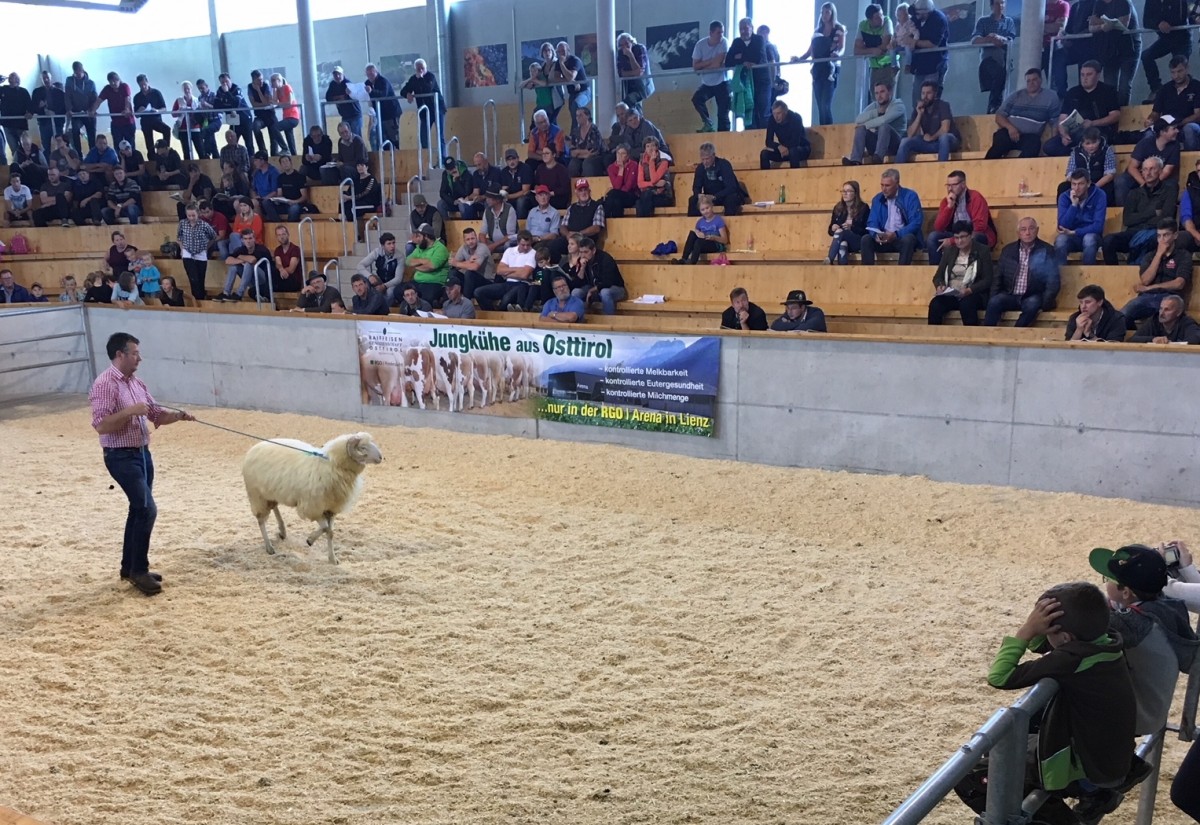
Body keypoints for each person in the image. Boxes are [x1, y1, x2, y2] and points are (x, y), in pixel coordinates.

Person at [979, 582, 1136, 819]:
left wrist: (1026, 631)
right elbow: (1046, 646)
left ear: (1065, 638)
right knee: (1006, 749)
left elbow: (999, 677)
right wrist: (1043, 630)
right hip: (1110, 760)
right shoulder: (1107, 641)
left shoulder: (1072, 659)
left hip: (1089, 769)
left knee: (979, 772)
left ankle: (1066, 816)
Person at [89, 332, 195, 596]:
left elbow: (155, 413)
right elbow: (101, 425)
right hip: (120, 456)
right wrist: (129, 411)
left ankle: (129, 568)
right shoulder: (104, 384)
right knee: (147, 509)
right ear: (120, 354)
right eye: (135, 353)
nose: (140, 358)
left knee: (138, 509)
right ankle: (139, 570)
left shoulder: (137, 384)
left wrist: (178, 416)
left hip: (142, 453)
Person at [985, 217, 1060, 326]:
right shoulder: (1008, 250)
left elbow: (1053, 281)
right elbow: (998, 277)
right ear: (1018, 233)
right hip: (1010, 294)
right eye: (1023, 229)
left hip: (1032, 295)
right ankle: (987, 334)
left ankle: (1016, 333)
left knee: (1032, 304)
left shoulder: (1047, 250)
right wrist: (993, 297)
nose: (1027, 233)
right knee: (994, 302)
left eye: (1031, 228)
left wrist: (1045, 303)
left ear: (1037, 230)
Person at [1105, 158, 1179, 265]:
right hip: (1132, 233)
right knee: (1108, 240)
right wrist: (1153, 213)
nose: (1148, 173)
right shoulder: (1134, 193)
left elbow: (1166, 217)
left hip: (1155, 232)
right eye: (1145, 169)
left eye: (1152, 169)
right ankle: (1114, 273)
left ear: (1160, 170)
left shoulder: (1169, 191)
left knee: (1151, 239)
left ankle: (1139, 269)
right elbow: (1128, 220)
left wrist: (1141, 221)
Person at [1120, 219, 1192, 326]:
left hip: (1170, 297)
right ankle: (1135, 334)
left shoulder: (1183, 256)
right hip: (1147, 297)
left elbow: (1179, 283)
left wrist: (1150, 288)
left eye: (1166, 235)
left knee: (1162, 316)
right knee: (1122, 315)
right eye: (1159, 236)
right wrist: (1158, 255)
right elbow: (1145, 280)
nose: (1161, 240)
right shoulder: (1150, 256)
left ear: (1175, 235)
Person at [1044, 61, 1120, 157]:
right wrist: (1063, 134)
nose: (1085, 78)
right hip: (1074, 132)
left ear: (1098, 75)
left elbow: (1115, 115)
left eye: (1089, 74)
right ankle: (1077, 154)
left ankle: (1079, 154)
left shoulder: (1108, 91)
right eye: (1082, 75)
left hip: (1098, 130)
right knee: (1049, 147)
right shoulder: (1072, 92)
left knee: (1087, 137)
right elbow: (1062, 118)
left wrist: (1093, 123)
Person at [928, 221, 994, 325]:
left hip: (973, 293)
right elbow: (938, 276)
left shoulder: (983, 251)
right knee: (935, 304)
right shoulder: (949, 251)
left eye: (963, 237)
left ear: (971, 235)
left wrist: (970, 290)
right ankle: (933, 333)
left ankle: (971, 334)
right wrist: (940, 286)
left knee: (966, 304)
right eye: (956, 238)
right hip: (952, 293)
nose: (959, 241)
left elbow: (987, 279)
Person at [985, 68, 1061, 159]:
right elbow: (999, 116)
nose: (1031, 83)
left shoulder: (1051, 97)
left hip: (1029, 137)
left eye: (1034, 80)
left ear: (1041, 80)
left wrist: (1054, 141)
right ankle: (986, 165)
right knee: (999, 142)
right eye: (1028, 81)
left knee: (1034, 144)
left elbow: (1055, 121)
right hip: (1009, 132)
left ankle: (1019, 167)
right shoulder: (1015, 96)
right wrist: (1010, 128)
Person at [927, 170, 996, 265]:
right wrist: (949, 207)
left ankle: (971, 270)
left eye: (953, 185)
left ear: (963, 185)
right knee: (933, 237)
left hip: (976, 234)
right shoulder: (946, 201)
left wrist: (953, 241)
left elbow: (979, 227)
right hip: (955, 234)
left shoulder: (976, 197)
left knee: (975, 237)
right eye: (948, 185)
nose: (950, 189)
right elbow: (938, 227)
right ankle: (937, 270)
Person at [862, 168, 924, 265]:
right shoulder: (877, 199)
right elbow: (872, 222)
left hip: (901, 237)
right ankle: (867, 271)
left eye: (887, 185)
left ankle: (902, 271)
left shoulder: (910, 196)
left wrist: (896, 234)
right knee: (866, 239)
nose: (884, 189)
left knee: (908, 239)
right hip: (883, 238)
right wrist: (876, 234)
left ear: (897, 184)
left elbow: (916, 222)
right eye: (882, 185)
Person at [1115, 117, 1181, 207]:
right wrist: (1144, 184)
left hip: (1158, 179)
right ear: (1162, 132)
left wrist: (1153, 184)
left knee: (1172, 185)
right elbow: (1132, 167)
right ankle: (1123, 211)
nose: (1177, 131)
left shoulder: (1175, 146)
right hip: (1140, 178)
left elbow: (1167, 171)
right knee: (1121, 181)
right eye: (1174, 129)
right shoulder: (1145, 143)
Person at [798, 4, 846, 126]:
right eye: (822, 12)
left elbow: (841, 48)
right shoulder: (817, 31)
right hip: (818, 68)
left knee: (825, 104)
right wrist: (799, 59)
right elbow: (810, 51)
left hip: (831, 68)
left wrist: (837, 54)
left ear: (832, 13)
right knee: (820, 105)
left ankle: (829, 130)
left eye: (827, 12)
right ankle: (823, 128)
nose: (824, 15)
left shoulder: (839, 29)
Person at [895, 82, 961, 163]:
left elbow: (945, 129)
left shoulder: (943, 105)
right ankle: (897, 169)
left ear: (935, 94)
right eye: (923, 93)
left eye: (928, 93)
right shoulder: (919, 108)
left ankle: (941, 168)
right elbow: (910, 134)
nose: (925, 96)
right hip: (929, 142)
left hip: (948, 141)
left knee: (944, 137)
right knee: (905, 141)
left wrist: (932, 137)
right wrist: (919, 115)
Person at [843, 82, 905, 166]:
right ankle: (855, 160)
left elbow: (883, 120)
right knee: (860, 129)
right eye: (876, 93)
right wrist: (875, 112)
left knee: (884, 127)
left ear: (890, 92)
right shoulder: (875, 105)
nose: (879, 96)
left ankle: (878, 158)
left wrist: (865, 125)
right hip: (877, 145)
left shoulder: (898, 105)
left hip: (895, 145)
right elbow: (858, 119)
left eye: (882, 92)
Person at [1092, 0, 1140, 106]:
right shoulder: (1098, 3)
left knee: (1124, 86)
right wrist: (1103, 25)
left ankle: (1122, 112)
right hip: (1109, 50)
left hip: (1129, 48)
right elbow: (1091, 27)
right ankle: (1112, 112)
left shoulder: (1124, 2)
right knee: (1109, 86)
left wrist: (1100, 22)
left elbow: (1123, 24)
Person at [972, 0, 1017, 114]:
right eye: (997, 3)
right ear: (991, 6)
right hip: (989, 60)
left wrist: (1000, 38)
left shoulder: (1009, 21)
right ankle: (994, 106)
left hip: (1004, 60)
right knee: (999, 75)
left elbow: (1011, 39)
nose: (1000, 6)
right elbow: (974, 40)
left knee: (1001, 84)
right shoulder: (983, 21)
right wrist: (989, 39)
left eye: (1002, 3)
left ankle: (995, 110)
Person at [1055, 169, 1108, 266]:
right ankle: (1059, 274)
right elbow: (1062, 226)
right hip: (1072, 237)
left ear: (1088, 184)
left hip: (1092, 236)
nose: (1076, 188)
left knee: (1089, 239)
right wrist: (1073, 206)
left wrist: (1075, 232)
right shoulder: (1064, 197)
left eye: (1080, 184)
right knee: (1060, 240)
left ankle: (1088, 274)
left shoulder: (1099, 195)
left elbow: (1098, 226)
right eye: (1074, 184)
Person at [1146, 56, 1200, 151]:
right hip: (1167, 127)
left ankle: (1192, 157)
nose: (1176, 76)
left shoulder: (1197, 86)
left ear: (1187, 69)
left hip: (1188, 125)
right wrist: (1150, 120)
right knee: (1148, 133)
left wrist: (1178, 124)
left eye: (1179, 71)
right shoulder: (1164, 89)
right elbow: (1155, 113)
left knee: (1189, 129)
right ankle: (1153, 159)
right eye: (1173, 72)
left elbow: (1198, 115)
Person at [477, 231, 538, 312]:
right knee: (479, 292)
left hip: (522, 285)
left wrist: (507, 273)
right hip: (507, 283)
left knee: (506, 299)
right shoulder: (509, 251)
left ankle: (499, 314)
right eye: (523, 245)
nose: (526, 247)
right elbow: (499, 270)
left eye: (528, 245)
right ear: (518, 242)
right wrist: (518, 269)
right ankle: (491, 313)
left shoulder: (533, 253)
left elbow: (524, 275)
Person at [399, 59, 447, 159]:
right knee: (423, 137)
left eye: (422, 68)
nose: (420, 70)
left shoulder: (430, 76)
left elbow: (428, 88)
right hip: (424, 112)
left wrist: (420, 78)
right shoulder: (413, 79)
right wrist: (407, 94)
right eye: (418, 69)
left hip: (437, 109)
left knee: (440, 135)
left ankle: (442, 158)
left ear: (426, 68)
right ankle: (427, 159)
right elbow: (403, 90)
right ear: (415, 69)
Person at [908, 0, 949, 112]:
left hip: (935, 65)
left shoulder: (939, 19)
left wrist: (914, 42)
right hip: (919, 66)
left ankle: (932, 120)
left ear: (926, 12)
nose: (916, 16)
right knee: (916, 100)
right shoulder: (915, 19)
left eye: (918, 13)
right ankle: (917, 119)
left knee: (931, 99)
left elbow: (933, 44)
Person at [854, 4, 897, 105]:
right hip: (874, 67)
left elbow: (886, 45)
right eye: (877, 17)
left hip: (889, 64)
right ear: (870, 20)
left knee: (888, 97)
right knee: (875, 97)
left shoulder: (887, 21)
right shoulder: (863, 26)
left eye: (881, 15)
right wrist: (872, 50)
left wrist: (866, 48)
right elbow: (856, 50)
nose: (881, 19)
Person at [1062, 127, 1117, 204]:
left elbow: (1109, 175)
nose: (1091, 146)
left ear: (1099, 140)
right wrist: (1079, 185)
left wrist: (1093, 187)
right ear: (1082, 143)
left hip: (1100, 183)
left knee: (1108, 190)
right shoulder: (1076, 152)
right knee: (1063, 187)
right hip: (1079, 183)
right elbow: (1070, 174)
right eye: (1087, 143)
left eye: (1094, 142)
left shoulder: (1107, 150)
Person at [574, 236, 625, 315]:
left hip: (615, 288)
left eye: (586, 252)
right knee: (575, 292)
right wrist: (582, 268)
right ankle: (577, 318)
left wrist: (591, 290)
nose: (583, 255)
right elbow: (577, 283)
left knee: (605, 292)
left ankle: (608, 320)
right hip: (594, 288)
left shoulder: (605, 259)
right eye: (581, 252)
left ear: (593, 250)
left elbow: (608, 282)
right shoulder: (580, 261)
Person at [177, 203, 216, 301]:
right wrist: (182, 249)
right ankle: (196, 299)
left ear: (198, 214)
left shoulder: (204, 225)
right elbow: (179, 237)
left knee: (200, 278)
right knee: (193, 277)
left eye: (193, 215)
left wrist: (206, 247)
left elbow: (213, 236)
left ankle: (201, 299)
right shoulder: (182, 223)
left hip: (200, 253)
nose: (191, 218)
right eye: (189, 215)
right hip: (187, 252)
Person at [406, 222, 450, 306]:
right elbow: (408, 261)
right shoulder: (420, 247)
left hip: (434, 282)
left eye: (419, 236)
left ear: (426, 236)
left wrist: (416, 266)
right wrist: (423, 261)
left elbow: (431, 266)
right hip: (417, 281)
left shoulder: (440, 248)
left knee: (427, 297)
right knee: (398, 291)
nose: (417, 239)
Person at [676, 195, 729, 266]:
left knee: (699, 242)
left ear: (711, 206)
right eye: (703, 210)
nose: (706, 211)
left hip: (714, 244)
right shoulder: (700, 221)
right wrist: (698, 232)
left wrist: (714, 237)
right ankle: (683, 259)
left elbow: (725, 240)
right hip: (703, 241)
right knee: (692, 235)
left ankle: (692, 262)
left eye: (707, 208)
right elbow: (697, 233)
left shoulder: (718, 220)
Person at [827, 180, 870, 265]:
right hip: (842, 240)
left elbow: (866, 230)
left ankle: (829, 258)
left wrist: (852, 227)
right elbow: (830, 232)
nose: (845, 193)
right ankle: (842, 269)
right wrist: (832, 228)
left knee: (841, 232)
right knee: (843, 244)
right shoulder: (838, 208)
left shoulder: (863, 208)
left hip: (858, 241)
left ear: (855, 193)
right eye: (843, 191)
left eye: (848, 191)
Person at [761, 101, 811, 170]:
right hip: (783, 150)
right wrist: (779, 146)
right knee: (764, 153)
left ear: (785, 112)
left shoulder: (796, 118)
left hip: (800, 148)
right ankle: (765, 176)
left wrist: (785, 148)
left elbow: (795, 141)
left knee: (793, 151)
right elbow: (768, 141)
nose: (776, 117)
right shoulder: (772, 119)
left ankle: (794, 176)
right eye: (774, 113)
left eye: (778, 113)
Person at [92, 72, 136, 151]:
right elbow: (99, 100)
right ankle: (119, 159)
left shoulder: (124, 86)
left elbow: (127, 99)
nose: (113, 83)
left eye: (115, 81)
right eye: (110, 82)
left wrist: (126, 109)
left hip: (128, 122)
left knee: (130, 147)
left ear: (119, 80)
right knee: (117, 148)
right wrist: (93, 110)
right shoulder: (107, 89)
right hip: (116, 123)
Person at [1130, 293, 1200, 342]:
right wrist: (1153, 339)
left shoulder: (1187, 322)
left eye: (1167, 309)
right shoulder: (1154, 320)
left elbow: (1195, 339)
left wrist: (1172, 344)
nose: (1161, 313)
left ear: (1179, 312)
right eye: (1161, 308)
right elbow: (1133, 339)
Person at [449, 227, 495, 300]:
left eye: (472, 238)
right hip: (470, 281)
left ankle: (466, 301)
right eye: (468, 239)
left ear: (476, 238)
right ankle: (449, 300)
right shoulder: (463, 248)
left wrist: (457, 264)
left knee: (469, 273)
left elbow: (475, 267)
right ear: (464, 240)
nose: (470, 241)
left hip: (487, 281)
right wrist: (467, 261)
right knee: (453, 273)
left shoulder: (482, 248)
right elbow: (454, 265)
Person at [363, 64, 399, 153]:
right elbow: (363, 94)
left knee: (393, 137)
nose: (370, 76)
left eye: (372, 73)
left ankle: (397, 156)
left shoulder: (383, 81)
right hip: (379, 115)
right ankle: (386, 158)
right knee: (382, 139)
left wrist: (371, 91)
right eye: (368, 74)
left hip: (390, 114)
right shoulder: (367, 83)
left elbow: (383, 95)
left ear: (376, 72)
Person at [356, 231, 404, 298]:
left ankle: (382, 304)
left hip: (392, 283)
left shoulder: (399, 256)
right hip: (380, 280)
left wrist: (384, 286)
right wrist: (369, 276)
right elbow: (360, 265)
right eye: (389, 244)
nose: (392, 246)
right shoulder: (377, 252)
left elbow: (398, 279)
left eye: (393, 243)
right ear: (382, 246)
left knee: (390, 292)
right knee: (363, 279)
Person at [63, 62, 97, 156]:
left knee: (91, 135)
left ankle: (93, 156)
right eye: (76, 72)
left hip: (88, 113)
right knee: (75, 131)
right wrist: (69, 109)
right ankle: (78, 156)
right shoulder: (69, 81)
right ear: (73, 71)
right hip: (76, 113)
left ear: (83, 70)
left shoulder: (91, 83)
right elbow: (67, 96)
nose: (78, 74)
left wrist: (92, 110)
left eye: (79, 71)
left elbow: (94, 98)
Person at [133, 75, 171, 158]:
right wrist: (140, 111)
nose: (143, 87)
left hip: (156, 120)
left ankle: (165, 150)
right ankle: (152, 158)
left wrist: (157, 111)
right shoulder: (137, 97)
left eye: (144, 84)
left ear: (147, 82)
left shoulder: (156, 93)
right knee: (149, 142)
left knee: (167, 129)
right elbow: (136, 115)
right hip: (145, 122)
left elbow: (164, 108)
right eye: (141, 85)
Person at [31, 70, 66, 155]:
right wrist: (40, 107)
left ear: (51, 78)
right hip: (44, 123)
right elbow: (33, 108)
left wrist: (54, 113)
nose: (46, 80)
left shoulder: (60, 92)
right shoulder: (36, 92)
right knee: (45, 147)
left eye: (47, 78)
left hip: (58, 123)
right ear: (41, 79)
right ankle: (47, 163)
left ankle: (61, 162)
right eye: (44, 78)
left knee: (61, 145)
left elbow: (64, 108)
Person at [616, 33, 653, 109]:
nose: (624, 47)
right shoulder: (620, 53)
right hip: (629, 88)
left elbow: (639, 72)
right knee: (634, 108)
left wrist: (630, 55)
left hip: (643, 86)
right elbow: (621, 74)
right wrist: (634, 72)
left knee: (626, 104)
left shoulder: (640, 48)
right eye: (621, 45)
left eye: (626, 43)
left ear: (632, 42)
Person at [603, 143, 639, 219]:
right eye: (618, 153)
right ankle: (616, 222)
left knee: (612, 194)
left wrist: (622, 168)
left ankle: (605, 220)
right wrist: (621, 169)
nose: (619, 156)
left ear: (628, 156)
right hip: (617, 196)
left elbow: (628, 186)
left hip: (631, 195)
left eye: (623, 153)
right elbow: (616, 186)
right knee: (616, 201)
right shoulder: (611, 168)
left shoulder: (634, 165)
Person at [496, 148, 534, 220]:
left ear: (518, 158)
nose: (512, 162)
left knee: (521, 201)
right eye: (509, 160)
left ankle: (520, 223)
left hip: (526, 197)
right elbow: (504, 189)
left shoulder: (525, 168)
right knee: (499, 201)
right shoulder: (504, 172)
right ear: (506, 161)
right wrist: (503, 196)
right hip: (511, 197)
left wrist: (508, 196)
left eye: (513, 159)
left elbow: (525, 191)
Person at [567, 107, 604, 178]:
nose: (578, 118)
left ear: (587, 116)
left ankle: (588, 184)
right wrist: (584, 154)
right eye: (577, 116)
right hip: (581, 157)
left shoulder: (594, 130)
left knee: (587, 164)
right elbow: (572, 152)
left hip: (596, 157)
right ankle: (574, 184)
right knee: (573, 164)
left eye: (580, 115)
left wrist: (578, 152)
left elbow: (593, 151)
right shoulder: (575, 132)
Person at [325, 66, 361, 138]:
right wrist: (340, 97)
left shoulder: (348, 83)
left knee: (356, 137)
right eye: (335, 74)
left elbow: (350, 96)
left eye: (339, 74)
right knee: (346, 137)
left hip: (354, 114)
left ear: (343, 74)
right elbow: (328, 98)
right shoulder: (332, 84)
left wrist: (336, 98)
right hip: (344, 115)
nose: (337, 76)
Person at [270, 73, 300, 157]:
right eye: (271, 81)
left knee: (274, 128)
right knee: (290, 138)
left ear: (279, 80)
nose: (272, 83)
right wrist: (274, 90)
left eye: (273, 80)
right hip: (287, 117)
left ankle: (285, 148)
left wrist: (277, 103)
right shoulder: (278, 91)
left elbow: (289, 103)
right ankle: (294, 156)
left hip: (293, 117)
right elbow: (274, 102)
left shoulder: (287, 87)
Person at [342, 160, 381, 225]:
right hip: (357, 202)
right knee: (343, 204)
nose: (360, 167)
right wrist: (344, 195)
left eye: (362, 165)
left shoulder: (371, 179)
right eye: (358, 166)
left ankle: (352, 227)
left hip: (369, 203)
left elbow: (365, 193)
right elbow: (349, 191)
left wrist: (350, 198)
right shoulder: (355, 180)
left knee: (350, 207)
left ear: (367, 167)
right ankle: (342, 222)